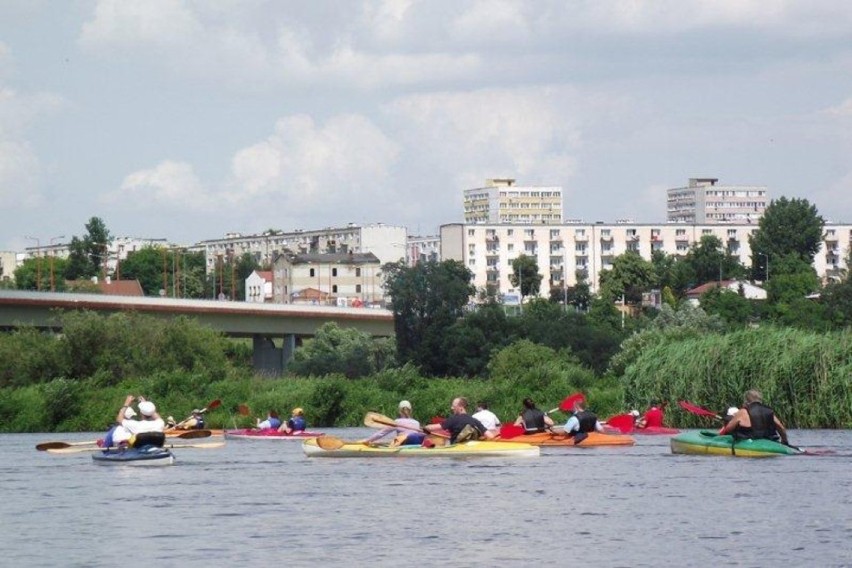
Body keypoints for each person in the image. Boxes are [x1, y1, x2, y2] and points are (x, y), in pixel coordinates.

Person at [719, 390, 789, 444]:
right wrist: (784, 441)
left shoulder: (743, 411)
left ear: (746, 401)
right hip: (769, 440)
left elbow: (728, 428)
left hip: (749, 440)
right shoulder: (769, 411)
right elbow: (781, 427)